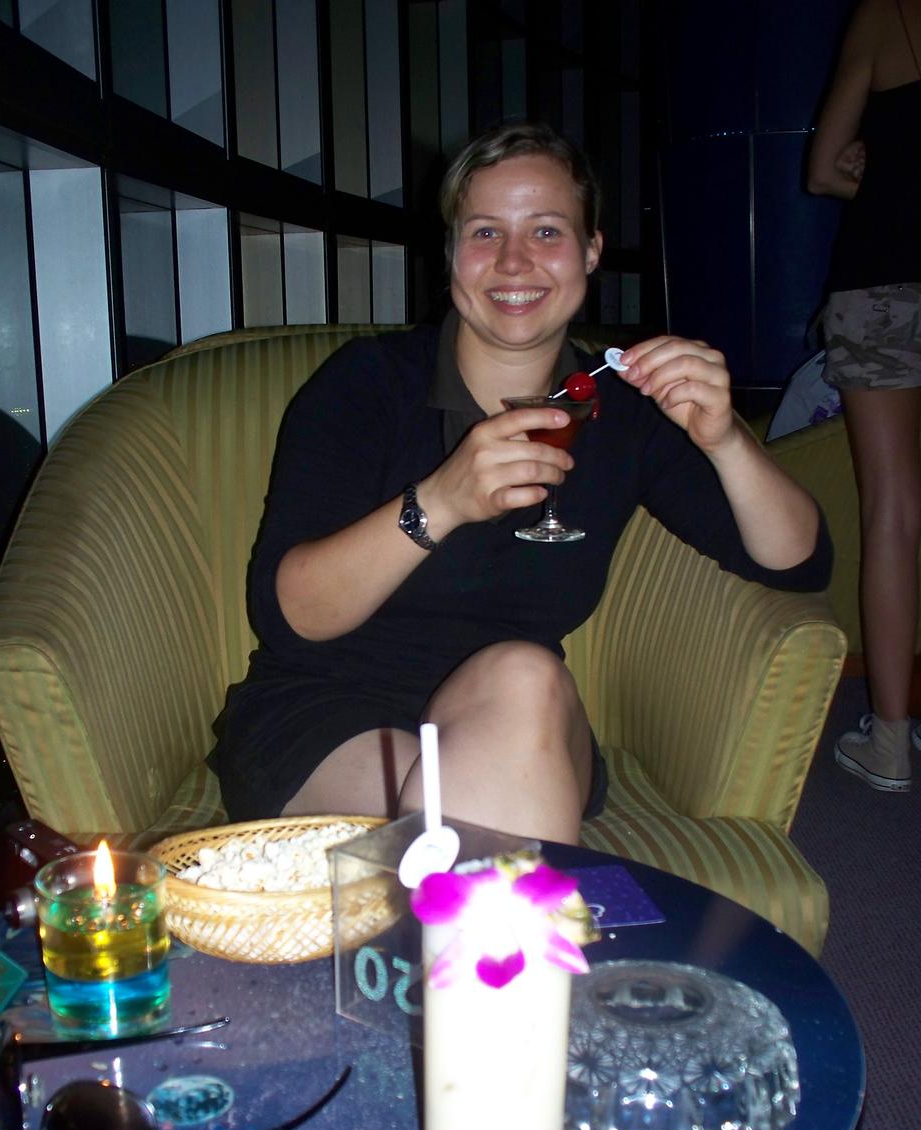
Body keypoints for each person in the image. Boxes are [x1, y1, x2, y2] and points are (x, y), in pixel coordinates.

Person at [210, 121, 831, 845]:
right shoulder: (368, 384)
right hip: (330, 717)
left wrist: (726, 441)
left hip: (522, 713)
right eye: (484, 233)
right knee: (469, 827)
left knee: (522, 676)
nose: (513, 261)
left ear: (591, 249)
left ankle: (477, 899)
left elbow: (797, 562)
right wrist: (441, 502)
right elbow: (292, 616)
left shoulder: (624, 410)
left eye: (546, 231)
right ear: (451, 254)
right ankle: (519, 911)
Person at [808, 0, 921, 791]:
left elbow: (822, 171)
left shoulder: (884, 16)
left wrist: (883, 178)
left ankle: (889, 740)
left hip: (882, 281)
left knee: (892, 512)